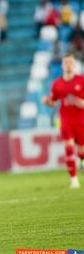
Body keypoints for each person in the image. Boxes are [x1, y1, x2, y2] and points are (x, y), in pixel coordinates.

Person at [42, 54, 84, 189]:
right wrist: (47, 101)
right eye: (66, 63)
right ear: (62, 65)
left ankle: (81, 161)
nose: (68, 65)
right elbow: (53, 102)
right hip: (66, 121)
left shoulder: (81, 81)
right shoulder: (57, 84)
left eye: (71, 62)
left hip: (81, 121)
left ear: (75, 64)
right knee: (69, 148)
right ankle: (74, 180)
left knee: (81, 151)